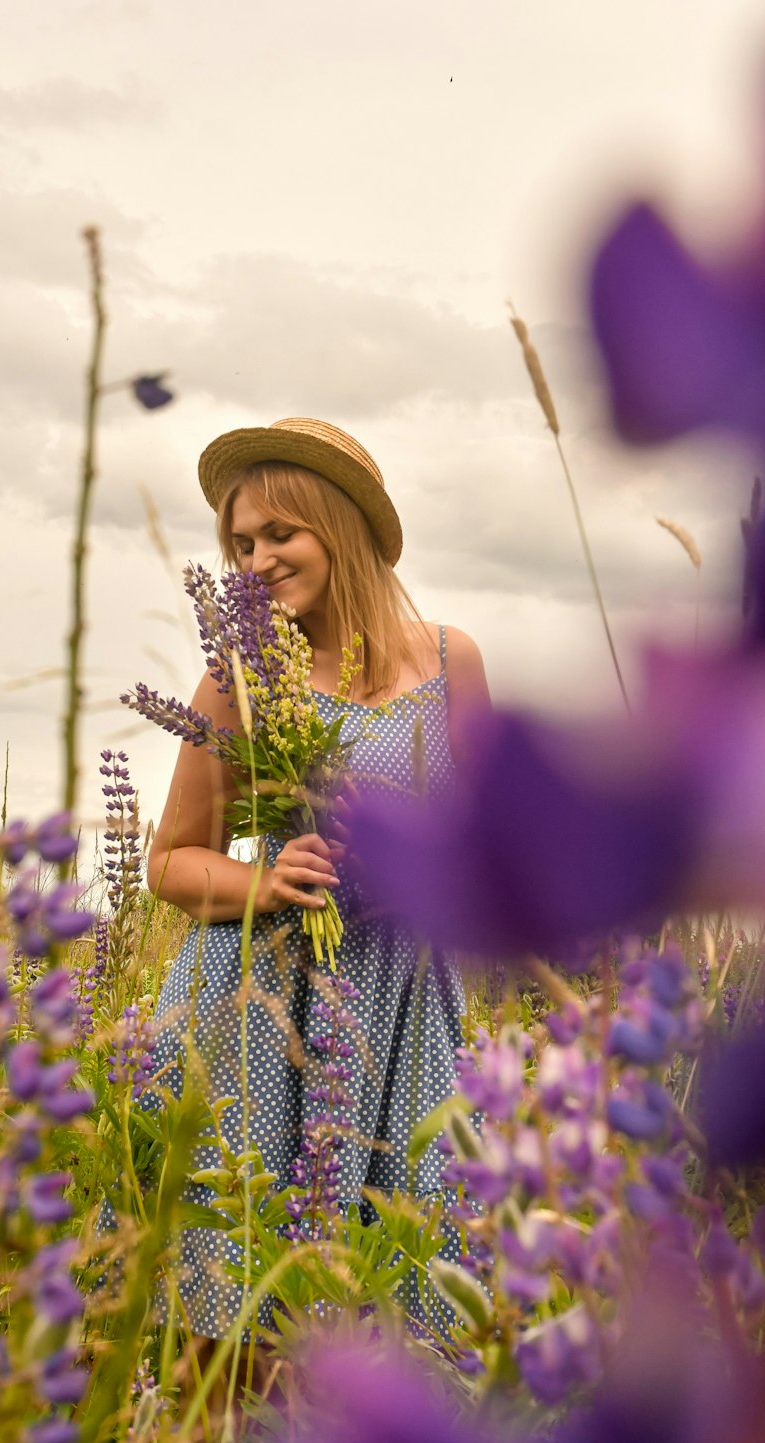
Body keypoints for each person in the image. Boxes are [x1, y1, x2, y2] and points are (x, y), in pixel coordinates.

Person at [132, 417, 490, 1342]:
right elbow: (170, 860)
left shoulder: (453, 663)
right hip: (263, 1007)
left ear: (340, 526)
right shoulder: (236, 683)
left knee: (419, 1281)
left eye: (278, 535)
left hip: (407, 1007)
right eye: (240, 543)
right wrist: (268, 879)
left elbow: (492, 846)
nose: (255, 562)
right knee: (241, 1312)